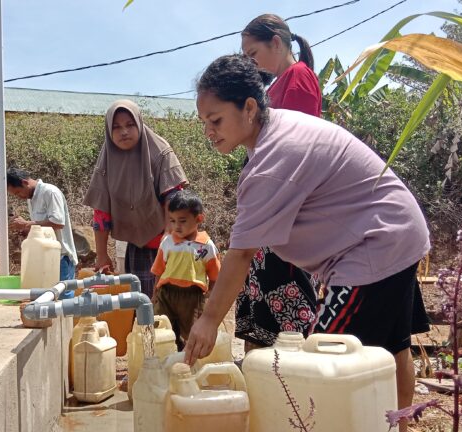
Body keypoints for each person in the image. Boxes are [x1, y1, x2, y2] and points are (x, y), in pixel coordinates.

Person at [185, 54, 430, 431]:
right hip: (399, 229)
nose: (208, 132)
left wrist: (209, 320)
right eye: (203, 123)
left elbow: (242, 254)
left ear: (249, 107)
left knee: (323, 365)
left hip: (372, 246)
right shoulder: (279, 127)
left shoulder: (271, 159)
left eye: (215, 120)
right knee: (391, 349)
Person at [234, 13, 322, 350]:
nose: (251, 62)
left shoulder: (298, 78)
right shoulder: (280, 83)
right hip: (271, 211)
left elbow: (295, 153)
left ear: (275, 42)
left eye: (253, 53)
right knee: (263, 313)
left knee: (287, 318)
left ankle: (288, 386)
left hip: (283, 211)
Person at [83, 100, 188, 299]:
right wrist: (102, 254)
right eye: (116, 127)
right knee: (141, 305)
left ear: (139, 123)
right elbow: (101, 211)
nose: (124, 132)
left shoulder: (160, 151)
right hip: (136, 245)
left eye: (130, 125)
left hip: (167, 243)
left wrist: (169, 237)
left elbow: (174, 197)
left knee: (170, 306)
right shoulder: (107, 160)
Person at [150, 190, 221, 350]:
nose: (176, 226)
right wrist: (155, 293)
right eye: (172, 221)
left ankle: (186, 366)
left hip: (192, 297)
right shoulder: (167, 242)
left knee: (190, 334)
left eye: (182, 221)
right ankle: (165, 362)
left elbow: (215, 275)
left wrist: (210, 295)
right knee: (162, 330)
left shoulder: (206, 246)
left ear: (199, 219)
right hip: (166, 294)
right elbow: (159, 270)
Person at [6, 167, 78, 296]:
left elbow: (58, 222)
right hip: (44, 256)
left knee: (63, 298)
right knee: (48, 298)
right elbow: (42, 226)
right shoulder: (32, 198)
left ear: (24, 182)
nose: (19, 197)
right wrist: (28, 231)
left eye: (18, 193)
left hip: (61, 256)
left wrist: (27, 224)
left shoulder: (49, 192)